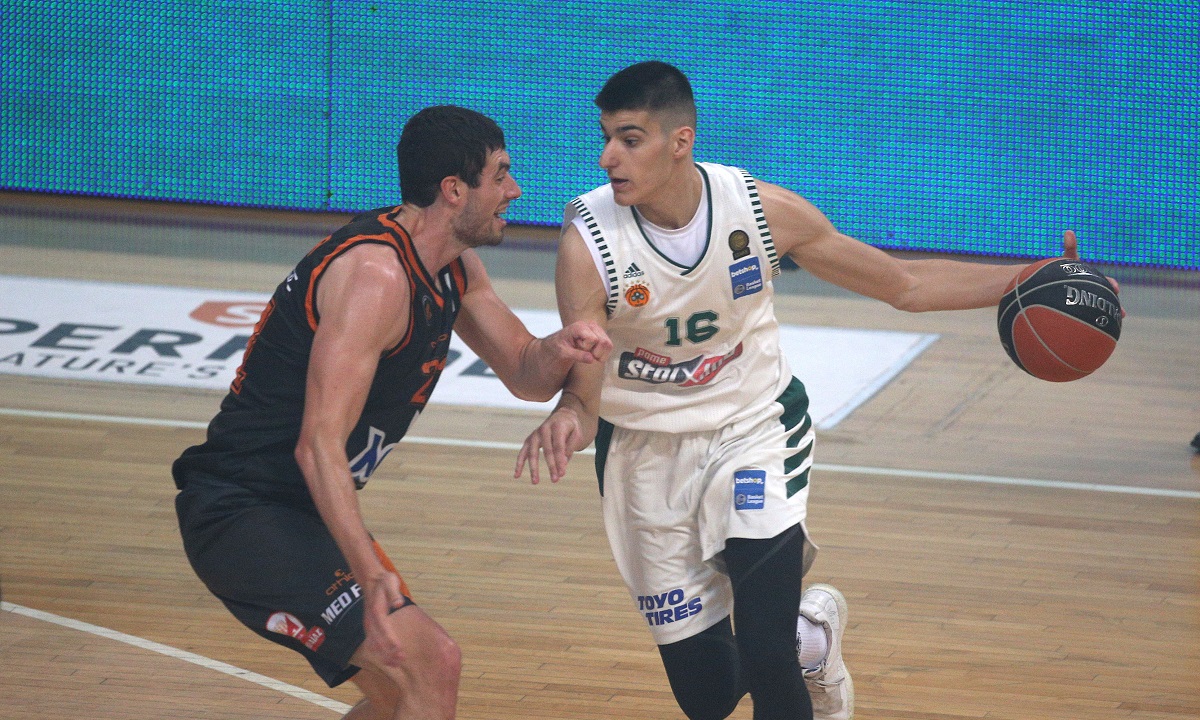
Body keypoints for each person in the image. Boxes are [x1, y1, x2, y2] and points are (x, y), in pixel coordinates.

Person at [515, 61, 1088, 720]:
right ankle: (810, 635)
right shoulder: (589, 244)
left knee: (765, 652)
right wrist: (570, 411)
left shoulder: (761, 212)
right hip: (646, 450)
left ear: (680, 142)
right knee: (707, 698)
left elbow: (904, 285)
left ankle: (786, 645)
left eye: (630, 139)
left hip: (752, 428)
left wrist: (1030, 278)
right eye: (607, 137)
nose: (608, 157)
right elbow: (585, 395)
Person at [173, 105, 611, 720]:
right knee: (431, 664)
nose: (514, 190)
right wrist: (366, 568)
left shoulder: (453, 265)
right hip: (243, 512)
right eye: (501, 174)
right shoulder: (376, 277)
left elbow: (524, 373)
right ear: (454, 190)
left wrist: (561, 348)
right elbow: (317, 446)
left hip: (303, 510)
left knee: (402, 693)